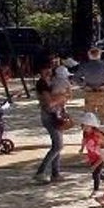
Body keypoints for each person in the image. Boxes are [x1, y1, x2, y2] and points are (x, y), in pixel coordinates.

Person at [34, 54, 68, 184]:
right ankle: (41, 171)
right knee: (58, 146)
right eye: (46, 68)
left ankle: (55, 172)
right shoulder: (42, 83)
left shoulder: (50, 81)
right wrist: (61, 97)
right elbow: (48, 103)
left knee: (57, 145)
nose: (49, 70)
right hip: (49, 115)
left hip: (55, 114)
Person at [74, 47, 104, 124]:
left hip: (89, 91)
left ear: (89, 55)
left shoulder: (85, 66)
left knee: (89, 116)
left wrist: (84, 85)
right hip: (102, 91)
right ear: (99, 55)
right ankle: (103, 132)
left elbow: (75, 78)